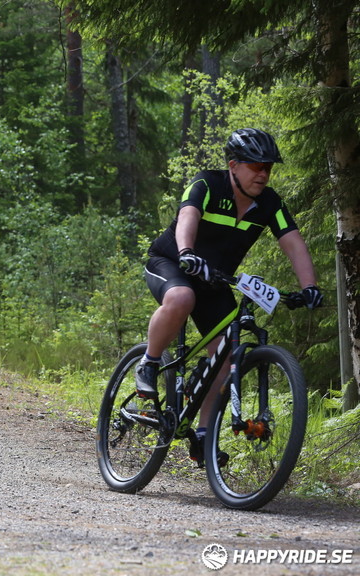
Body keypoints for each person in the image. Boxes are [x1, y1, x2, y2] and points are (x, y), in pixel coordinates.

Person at [135, 128, 323, 464]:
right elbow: (187, 217)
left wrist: (310, 287)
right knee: (180, 298)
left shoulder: (270, 203)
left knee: (225, 354)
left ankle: (203, 435)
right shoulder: (207, 183)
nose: (263, 174)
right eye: (256, 166)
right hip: (172, 262)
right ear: (233, 165)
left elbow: (293, 241)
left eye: (268, 167)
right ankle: (149, 363)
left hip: (215, 280)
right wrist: (187, 252)